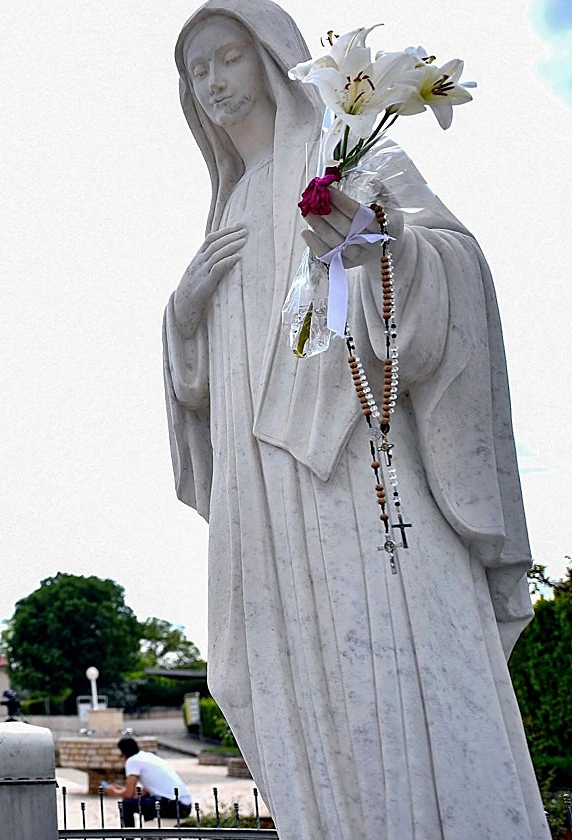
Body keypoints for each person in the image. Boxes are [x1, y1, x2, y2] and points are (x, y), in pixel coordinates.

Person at [164, 2, 545, 837]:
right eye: (198, 70)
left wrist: (382, 245)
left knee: (390, 672)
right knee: (260, 673)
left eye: (229, 57)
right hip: (258, 495)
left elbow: (453, 265)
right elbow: (202, 388)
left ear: (274, 59)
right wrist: (182, 316)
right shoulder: (223, 213)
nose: (215, 81)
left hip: (355, 477)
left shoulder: (350, 159)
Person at [104, 737, 192, 827]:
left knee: (126, 804)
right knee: (146, 800)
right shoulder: (148, 756)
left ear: (124, 754)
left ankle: (128, 836)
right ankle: (148, 833)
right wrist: (123, 789)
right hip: (184, 805)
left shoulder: (133, 761)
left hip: (175, 806)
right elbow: (144, 791)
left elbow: (128, 794)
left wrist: (114, 792)